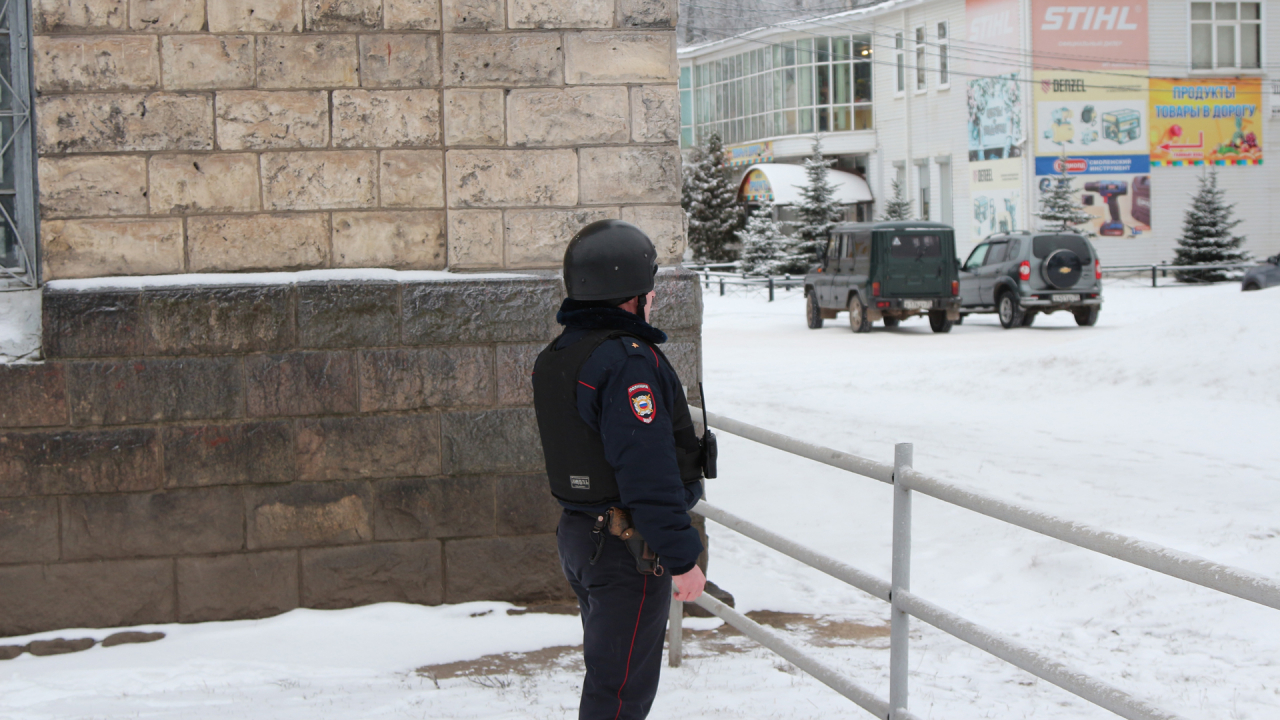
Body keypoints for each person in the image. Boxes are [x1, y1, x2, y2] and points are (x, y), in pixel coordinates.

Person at [532, 220, 708, 720]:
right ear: (631, 293)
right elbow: (645, 470)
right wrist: (681, 556)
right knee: (619, 697)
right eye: (648, 288)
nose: (652, 298)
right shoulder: (626, 361)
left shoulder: (563, 353)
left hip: (582, 537)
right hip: (625, 548)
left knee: (611, 680)